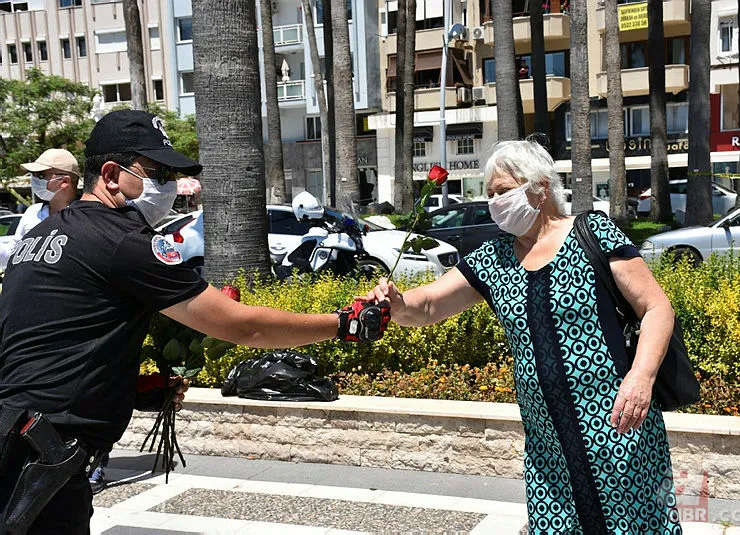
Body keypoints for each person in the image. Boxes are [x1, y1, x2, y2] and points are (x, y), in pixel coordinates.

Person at [0, 110, 390, 534]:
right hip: (43, 459)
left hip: (15, 440)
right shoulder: (122, 241)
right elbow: (242, 326)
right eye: (157, 172)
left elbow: (44, 344)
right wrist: (343, 323)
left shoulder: (39, 238)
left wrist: (129, 389)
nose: (168, 185)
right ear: (111, 175)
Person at [362, 139, 682, 533]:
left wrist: (641, 377)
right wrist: (396, 302)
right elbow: (428, 305)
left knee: (634, 525)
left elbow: (656, 308)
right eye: (490, 194)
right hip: (548, 446)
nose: (495, 202)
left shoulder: (592, 233)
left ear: (540, 187)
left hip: (618, 427)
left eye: (503, 191)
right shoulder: (493, 258)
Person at [0, 149, 81, 271]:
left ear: (64, 181)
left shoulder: (85, 217)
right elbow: (14, 254)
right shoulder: (32, 212)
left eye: (41, 175)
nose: (34, 179)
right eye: (33, 174)